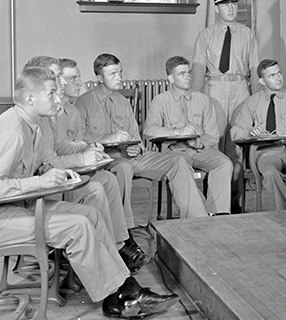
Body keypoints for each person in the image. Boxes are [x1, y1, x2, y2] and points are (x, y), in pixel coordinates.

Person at [0, 67, 177, 318]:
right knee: (78, 226)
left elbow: (38, 167)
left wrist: (55, 175)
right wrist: (39, 183)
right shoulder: (13, 129)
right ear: (29, 98)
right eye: (51, 93)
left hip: (22, 206)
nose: (58, 98)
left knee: (90, 214)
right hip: (6, 217)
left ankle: (124, 291)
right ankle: (119, 297)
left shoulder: (33, 125)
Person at [21, 56, 147, 272]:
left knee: (106, 179)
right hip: (40, 192)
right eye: (57, 78)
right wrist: (83, 155)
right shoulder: (31, 120)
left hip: (56, 180)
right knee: (96, 187)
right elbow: (45, 164)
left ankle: (117, 246)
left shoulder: (58, 113)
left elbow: (60, 146)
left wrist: (88, 149)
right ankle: (108, 255)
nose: (62, 83)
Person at [75, 53, 210, 220]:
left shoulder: (123, 101)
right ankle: (125, 230)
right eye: (113, 74)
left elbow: (136, 138)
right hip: (108, 160)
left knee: (177, 161)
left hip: (134, 157)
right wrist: (106, 139)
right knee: (123, 167)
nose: (119, 78)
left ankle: (198, 219)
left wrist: (136, 147)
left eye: (120, 72)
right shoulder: (82, 103)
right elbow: (79, 140)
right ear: (99, 78)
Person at [192, 0, 260, 212]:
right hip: (215, 91)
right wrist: (196, 104)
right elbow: (199, 72)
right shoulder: (205, 36)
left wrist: (257, 103)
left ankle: (234, 205)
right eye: (225, 4)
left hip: (241, 89)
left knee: (237, 148)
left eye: (234, 4)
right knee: (213, 145)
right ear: (217, 8)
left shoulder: (248, 34)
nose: (231, 8)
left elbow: (255, 69)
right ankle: (211, 205)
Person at [54, 57, 139, 230]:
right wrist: (96, 145)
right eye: (73, 78)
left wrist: (134, 147)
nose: (79, 82)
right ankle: (116, 236)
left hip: (91, 163)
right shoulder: (78, 104)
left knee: (110, 177)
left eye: (78, 77)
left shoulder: (71, 111)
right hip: (65, 172)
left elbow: (77, 143)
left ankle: (120, 239)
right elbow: (59, 150)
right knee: (105, 181)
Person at [144, 56, 235, 216]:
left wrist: (198, 144)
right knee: (180, 165)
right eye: (182, 73)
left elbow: (213, 134)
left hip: (200, 150)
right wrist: (176, 132)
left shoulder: (203, 100)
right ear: (170, 78)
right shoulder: (160, 101)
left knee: (224, 163)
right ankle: (199, 215)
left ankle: (219, 214)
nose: (188, 77)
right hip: (175, 152)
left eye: (189, 72)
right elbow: (149, 130)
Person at [231, 60, 286, 210]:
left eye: (279, 73)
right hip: (265, 153)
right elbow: (235, 133)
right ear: (261, 80)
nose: (278, 78)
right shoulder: (252, 102)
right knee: (270, 173)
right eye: (272, 75)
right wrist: (249, 132)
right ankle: (285, 212)